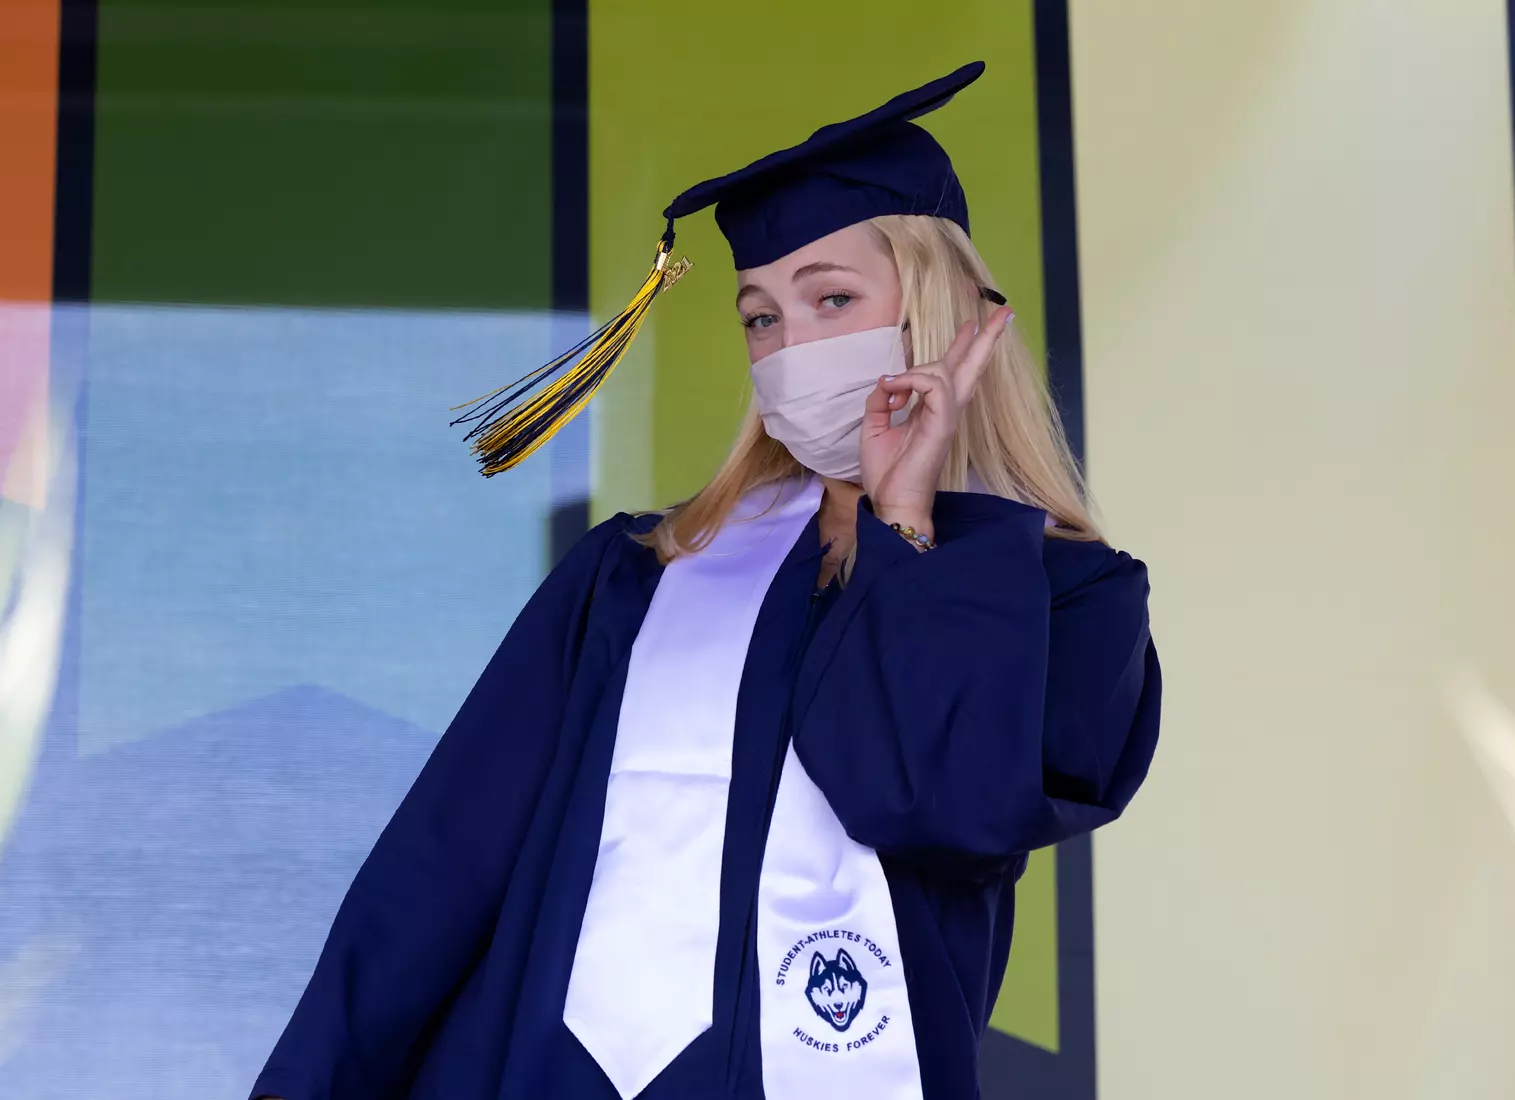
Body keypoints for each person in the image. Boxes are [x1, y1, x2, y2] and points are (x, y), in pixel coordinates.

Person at [250, 60, 1161, 1100]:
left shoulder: (1068, 601)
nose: (790, 346)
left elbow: (927, 802)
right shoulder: (637, 572)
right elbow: (445, 861)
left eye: (832, 298)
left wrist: (903, 522)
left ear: (944, 311)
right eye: (762, 317)